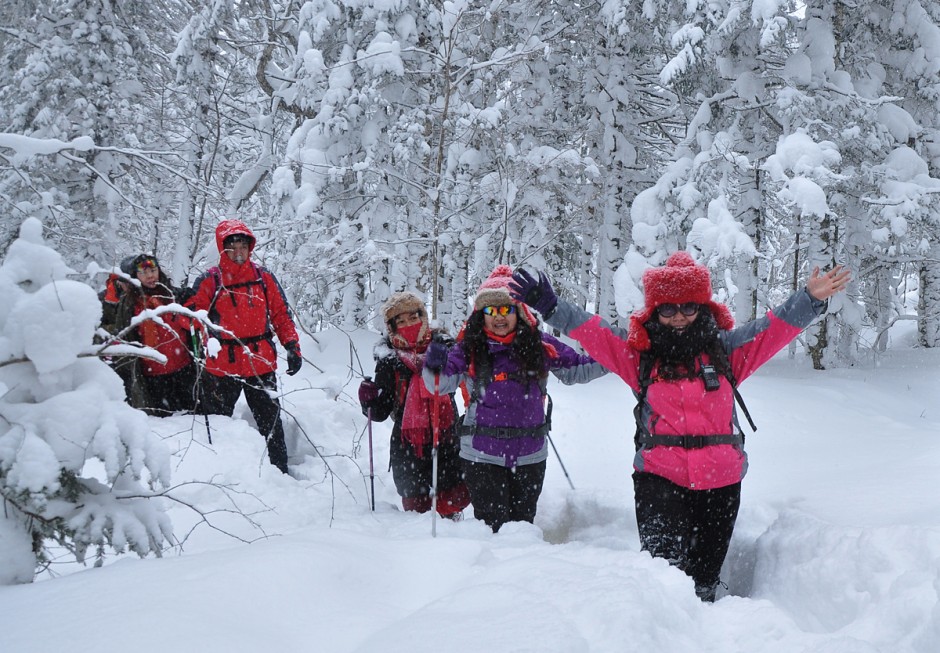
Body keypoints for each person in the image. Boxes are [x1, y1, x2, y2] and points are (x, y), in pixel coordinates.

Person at [509, 252, 851, 601]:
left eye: (689, 306)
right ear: (655, 310)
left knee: (705, 579)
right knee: (664, 580)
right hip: (659, 480)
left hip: (721, 483)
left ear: (702, 307)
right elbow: (593, 332)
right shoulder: (640, 356)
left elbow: (771, 329)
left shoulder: (726, 351)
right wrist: (550, 307)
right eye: (668, 309)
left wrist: (808, 300)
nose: (679, 317)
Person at [422, 265, 608, 532]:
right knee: (493, 530)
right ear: (481, 315)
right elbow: (439, 385)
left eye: (506, 309)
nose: (499, 317)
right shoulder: (470, 347)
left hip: (530, 456)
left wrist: (614, 355)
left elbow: (577, 369)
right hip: (482, 456)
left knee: (524, 529)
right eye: (491, 311)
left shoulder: (539, 344)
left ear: (519, 311)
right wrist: (434, 365)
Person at [188, 219, 303, 474]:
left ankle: (280, 472)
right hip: (222, 367)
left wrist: (292, 346)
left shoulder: (264, 278)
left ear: (249, 248)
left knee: (271, 424)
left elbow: (281, 315)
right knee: (219, 426)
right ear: (222, 248)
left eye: (242, 246)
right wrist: (203, 344)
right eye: (232, 246)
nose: (238, 251)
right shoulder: (209, 280)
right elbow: (195, 318)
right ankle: (221, 474)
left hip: (259, 362)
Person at [357, 291, 471, 517]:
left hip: (446, 436)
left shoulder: (445, 348)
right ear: (392, 327)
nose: (408, 324)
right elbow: (380, 412)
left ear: (423, 318)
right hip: (409, 445)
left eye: (413, 317)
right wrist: (368, 401)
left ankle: (455, 545)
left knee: (451, 502)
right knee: (416, 509)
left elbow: (466, 384)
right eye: (400, 321)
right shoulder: (389, 359)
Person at [113, 254, 198, 415]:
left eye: (153, 270)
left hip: (184, 370)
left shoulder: (174, 295)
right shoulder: (130, 304)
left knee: (190, 415)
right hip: (152, 376)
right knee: (163, 422)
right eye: (143, 273)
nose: (150, 275)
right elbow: (124, 338)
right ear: (134, 277)